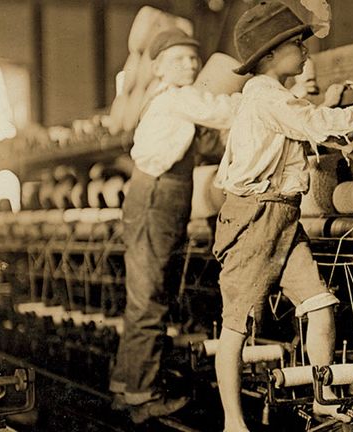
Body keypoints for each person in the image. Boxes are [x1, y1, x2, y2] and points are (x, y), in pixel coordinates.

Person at [212, 2, 353, 430]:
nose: (305, 50)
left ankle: (323, 398)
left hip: (284, 218)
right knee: (237, 326)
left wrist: (327, 105)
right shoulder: (267, 98)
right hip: (255, 220)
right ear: (268, 56)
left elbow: (308, 124)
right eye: (296, 43)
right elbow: (318, 124)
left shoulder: (276, 98)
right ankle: (232, 421)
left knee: (320, 305)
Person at [109, 28, 239, 424]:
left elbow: (206, 143)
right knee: (149, 299)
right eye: (179, 58)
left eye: (193, 58)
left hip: (155, 197)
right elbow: (226, 111)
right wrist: (271, 94)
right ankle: (144, 396)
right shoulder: (179, 97)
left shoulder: (167, 101)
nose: (191, 64)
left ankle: (126, 386)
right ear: (158, 66)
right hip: (157, 199)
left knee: (144, 297)